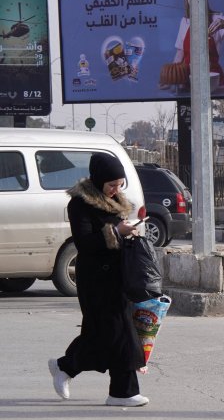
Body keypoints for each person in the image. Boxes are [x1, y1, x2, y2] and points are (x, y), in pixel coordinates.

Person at [48, 154, 149, 407]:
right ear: (99, 179)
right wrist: (116, 232)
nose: (116, 189)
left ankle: (71, 369)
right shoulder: (80, 204)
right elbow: (84, 243)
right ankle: (118, 391)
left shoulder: (116, 201)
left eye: (120, 184)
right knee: (113, 333)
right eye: (111, 184)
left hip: (117, 277)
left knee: (112, 333)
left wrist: (128, 232)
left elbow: (116, 235)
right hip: (95, 279)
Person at [164, 0, 224, 88]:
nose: (191, 0)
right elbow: (180, 52)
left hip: (212, 80)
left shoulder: (217, 19)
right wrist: (171, 77)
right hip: (189, 79)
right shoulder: (185, 21)